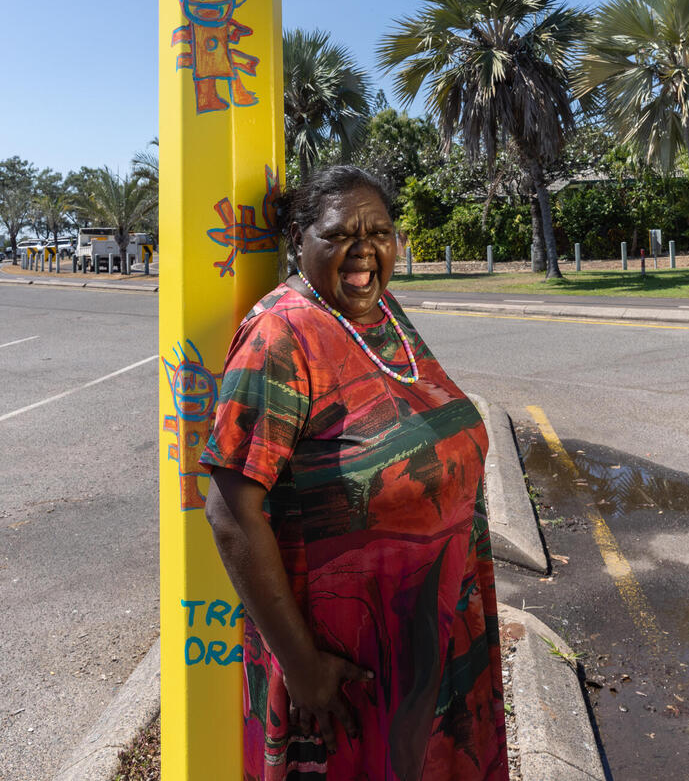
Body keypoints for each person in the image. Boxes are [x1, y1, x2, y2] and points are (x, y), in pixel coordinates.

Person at [201, 165, 509, 781]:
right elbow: (231, 513)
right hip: (345, 663)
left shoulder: (380, 311)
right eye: (340, 234)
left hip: (432, 628)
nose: (364, 250)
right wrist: (303, 667)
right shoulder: (281, 337)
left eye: (380, 232)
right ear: (299, 240)